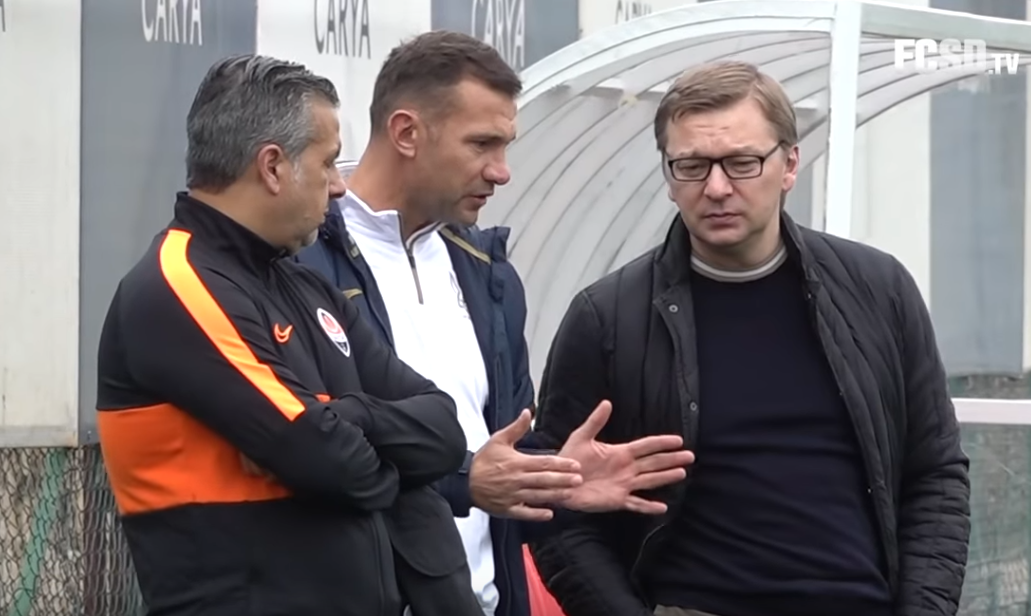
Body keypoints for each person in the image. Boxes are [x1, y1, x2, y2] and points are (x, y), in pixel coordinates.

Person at [529, 60, 972, 616]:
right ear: (668, 175)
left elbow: (934, 476)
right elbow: (554, 505)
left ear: (790, 165)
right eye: (691, 165)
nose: (716, 188)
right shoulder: (608, 318)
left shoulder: (877, 291)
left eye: (741, 163)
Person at [296, 30, 696, 616]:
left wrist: (556, 479)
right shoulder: (299, 266)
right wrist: (464, 481)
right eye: (482, 144)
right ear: (406, 132)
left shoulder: (488, 273)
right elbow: (311, 452)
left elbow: (501, 456)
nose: (502, 172)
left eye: (505, 146)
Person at [96, 54, 479, 616]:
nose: (340, 187)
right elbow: (329, 461)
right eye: (328, 163)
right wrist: (380, 456)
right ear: (273, 167)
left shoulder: (305, 286)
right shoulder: (179, 284)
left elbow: (442, 429)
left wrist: (349, 417)